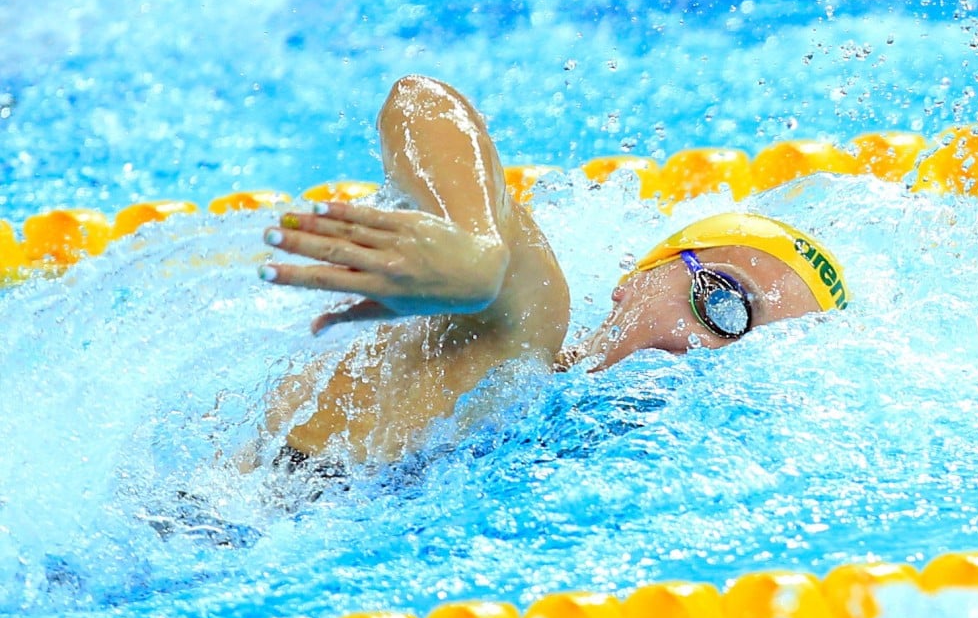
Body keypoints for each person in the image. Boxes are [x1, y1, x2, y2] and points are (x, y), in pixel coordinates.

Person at [255, 75, 849, 473]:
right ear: (638, 277)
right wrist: (476, 248)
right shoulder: (520, 341)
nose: (717, 352)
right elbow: (422, 102)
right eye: (723, 303)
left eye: (761, 355)